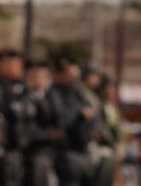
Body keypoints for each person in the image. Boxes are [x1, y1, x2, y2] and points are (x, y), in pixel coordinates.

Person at [0, 48, 32, 186]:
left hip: (24, 149)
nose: (15, 68)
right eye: (8, 63)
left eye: (17, 64)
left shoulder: (24, 89)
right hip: (2, 149)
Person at [48, 56, 97, 186]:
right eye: (70, 74)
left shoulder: (76, 91)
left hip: (82, 150)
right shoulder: (54, 93)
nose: (74, 78)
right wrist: (80, 115)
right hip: (67, 151)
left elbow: (90, 110)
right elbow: (61, 119)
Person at [25, 59, 62, 186]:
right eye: (40, 76)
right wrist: (48, 134)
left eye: (46, 76)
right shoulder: (26, 98)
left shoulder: (50, 96)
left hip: (49, 152)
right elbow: (26, 129)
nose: (44, 80)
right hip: (34, 153)